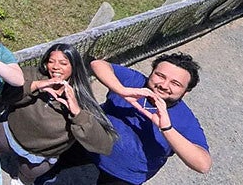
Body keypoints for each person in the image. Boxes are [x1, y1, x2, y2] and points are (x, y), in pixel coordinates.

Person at [0, 43, 117, 184]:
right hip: (9, 135)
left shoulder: (82, 99)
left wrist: (77, 112)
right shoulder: (30, 74)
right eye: (51, 61)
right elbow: (6, 97)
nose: (55, 67)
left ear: (74, 67)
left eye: (63, 63)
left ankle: (21, 179)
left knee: (26, 176)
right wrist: (35, 86)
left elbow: (104, 145)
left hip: (38, 156)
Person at [85, 52, 211, 184]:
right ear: (151, 72)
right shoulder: (135, 81)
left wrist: (167, 128)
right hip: (87, 143)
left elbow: (203, 165)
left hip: (124, 175)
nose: (164, 85)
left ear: (186, 92)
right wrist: (121, 90)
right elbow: (97, 64)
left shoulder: (184, 119)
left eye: (175, 83)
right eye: (160, 75)